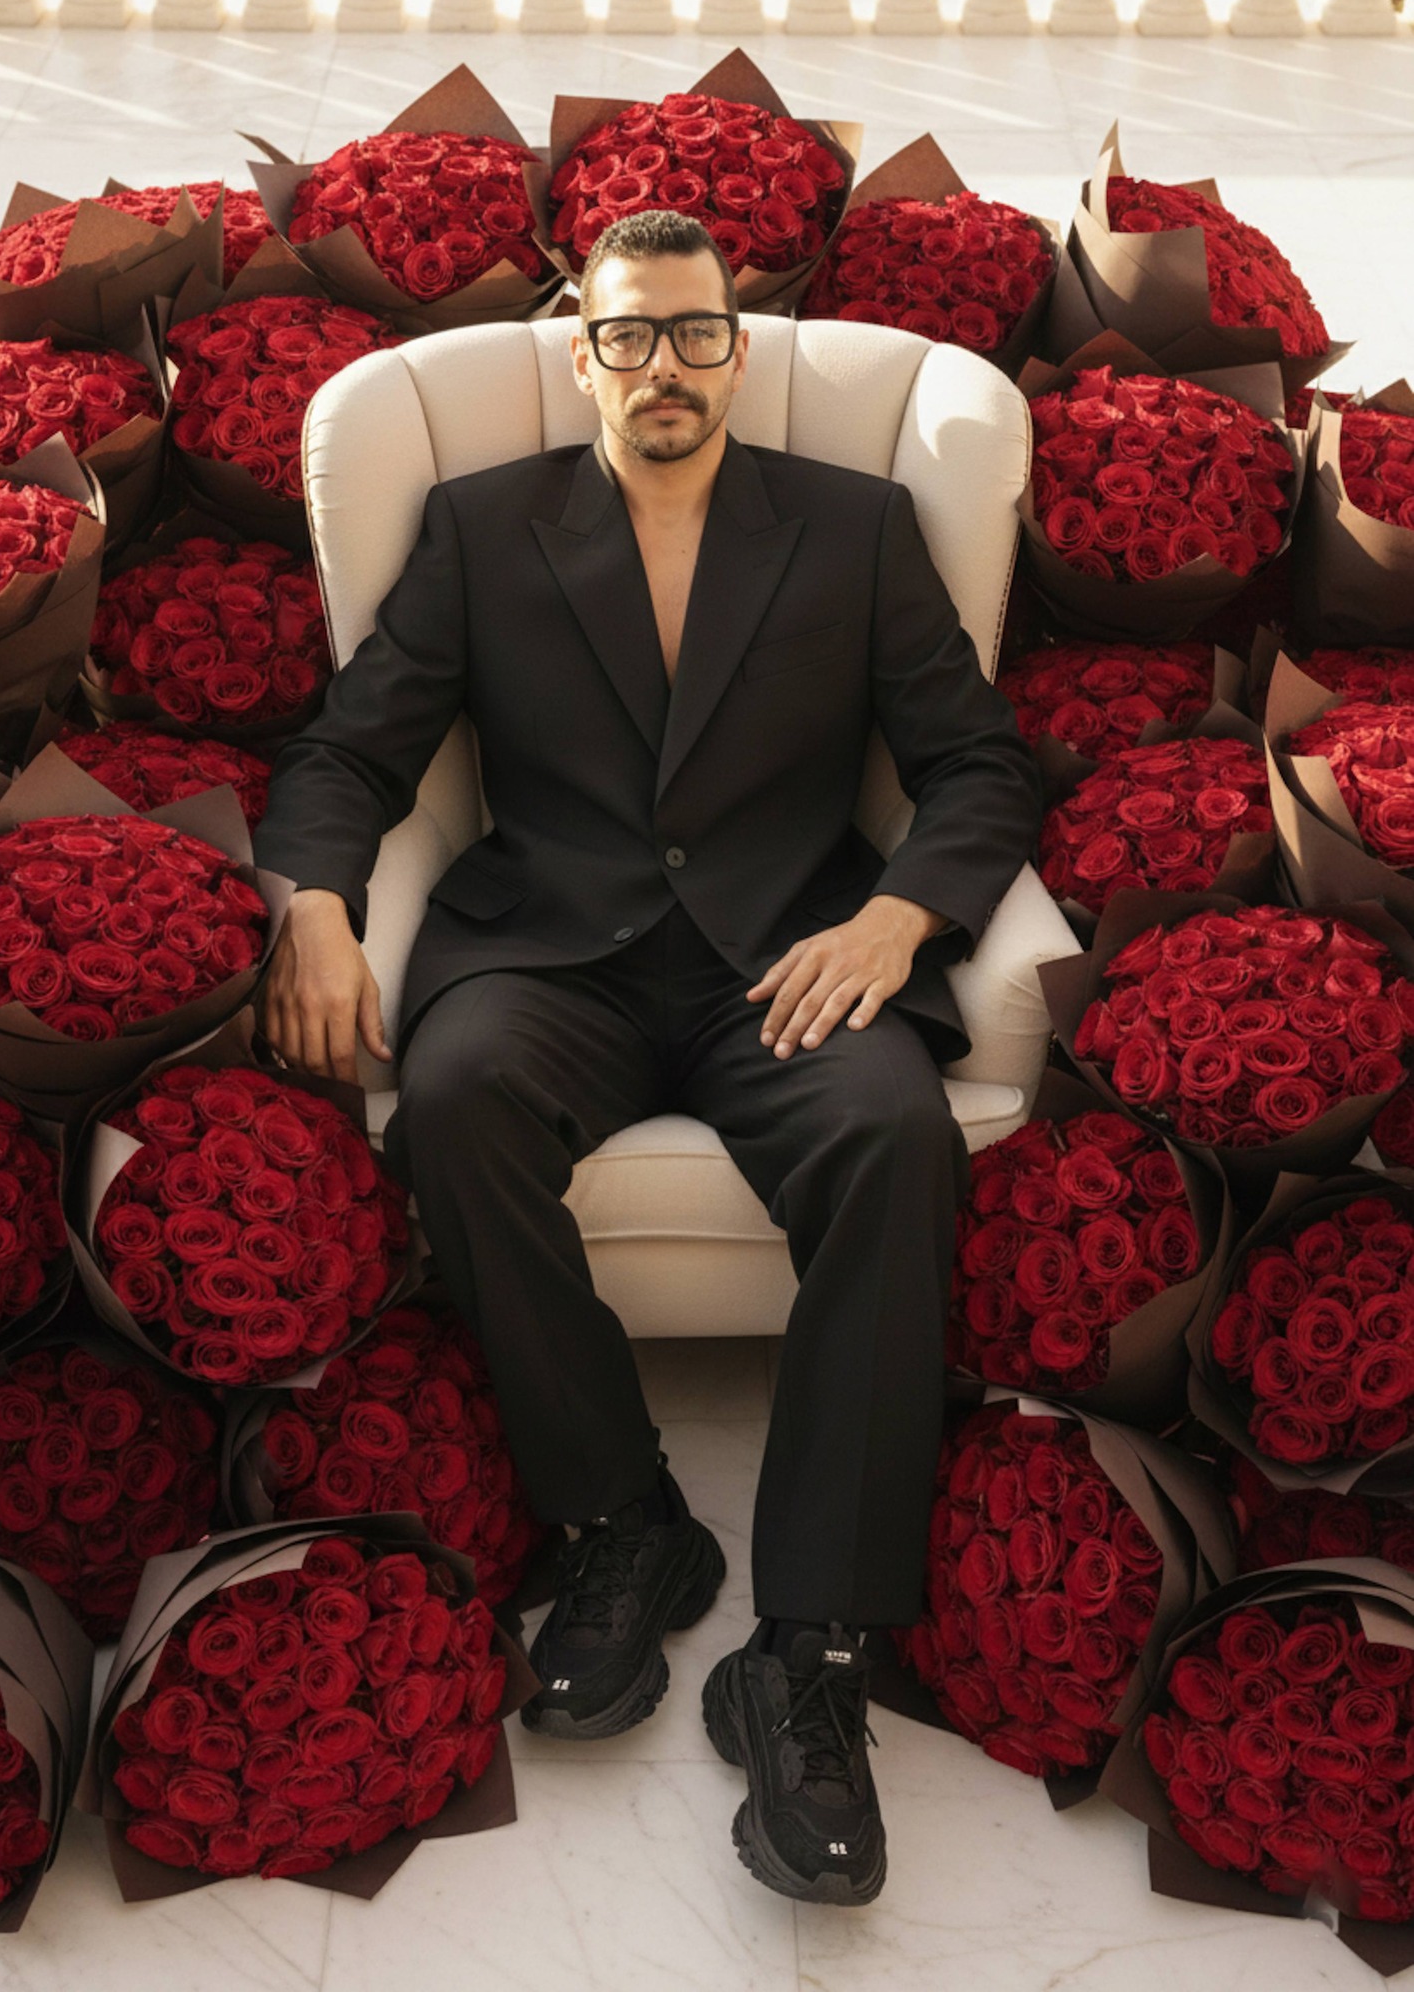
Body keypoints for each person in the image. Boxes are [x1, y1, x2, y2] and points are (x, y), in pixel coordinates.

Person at [253, 208, 1042, 1908]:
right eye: (630, 336)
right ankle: (623, 1521)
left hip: (792, 965)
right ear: (582, 345)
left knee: (897, 1140)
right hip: (554, 953)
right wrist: (313, 905)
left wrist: (898, 924)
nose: (665, 365)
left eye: (696, 334)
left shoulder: (858, 527)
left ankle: (811, 1649)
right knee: (452, 1102)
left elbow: (977, 768)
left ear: (736, 349)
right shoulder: (479, 529)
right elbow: (351, 749)